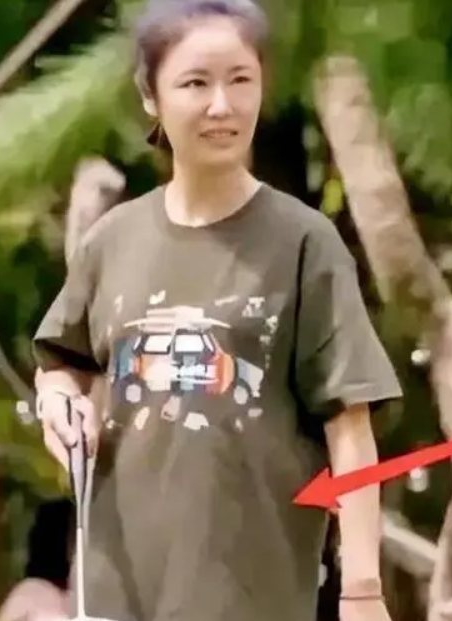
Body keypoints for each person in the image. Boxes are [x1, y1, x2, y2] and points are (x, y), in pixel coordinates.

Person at [31, 0, 403, 620]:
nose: (222, 105)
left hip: (254, 596)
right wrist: (57, 402)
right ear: (150, 96)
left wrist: (363, 589)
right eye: (195, 84)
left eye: (240, 80)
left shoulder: (305, 243)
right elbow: (61, 364)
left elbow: (349, 424)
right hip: (116, 593)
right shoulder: (111, 241)